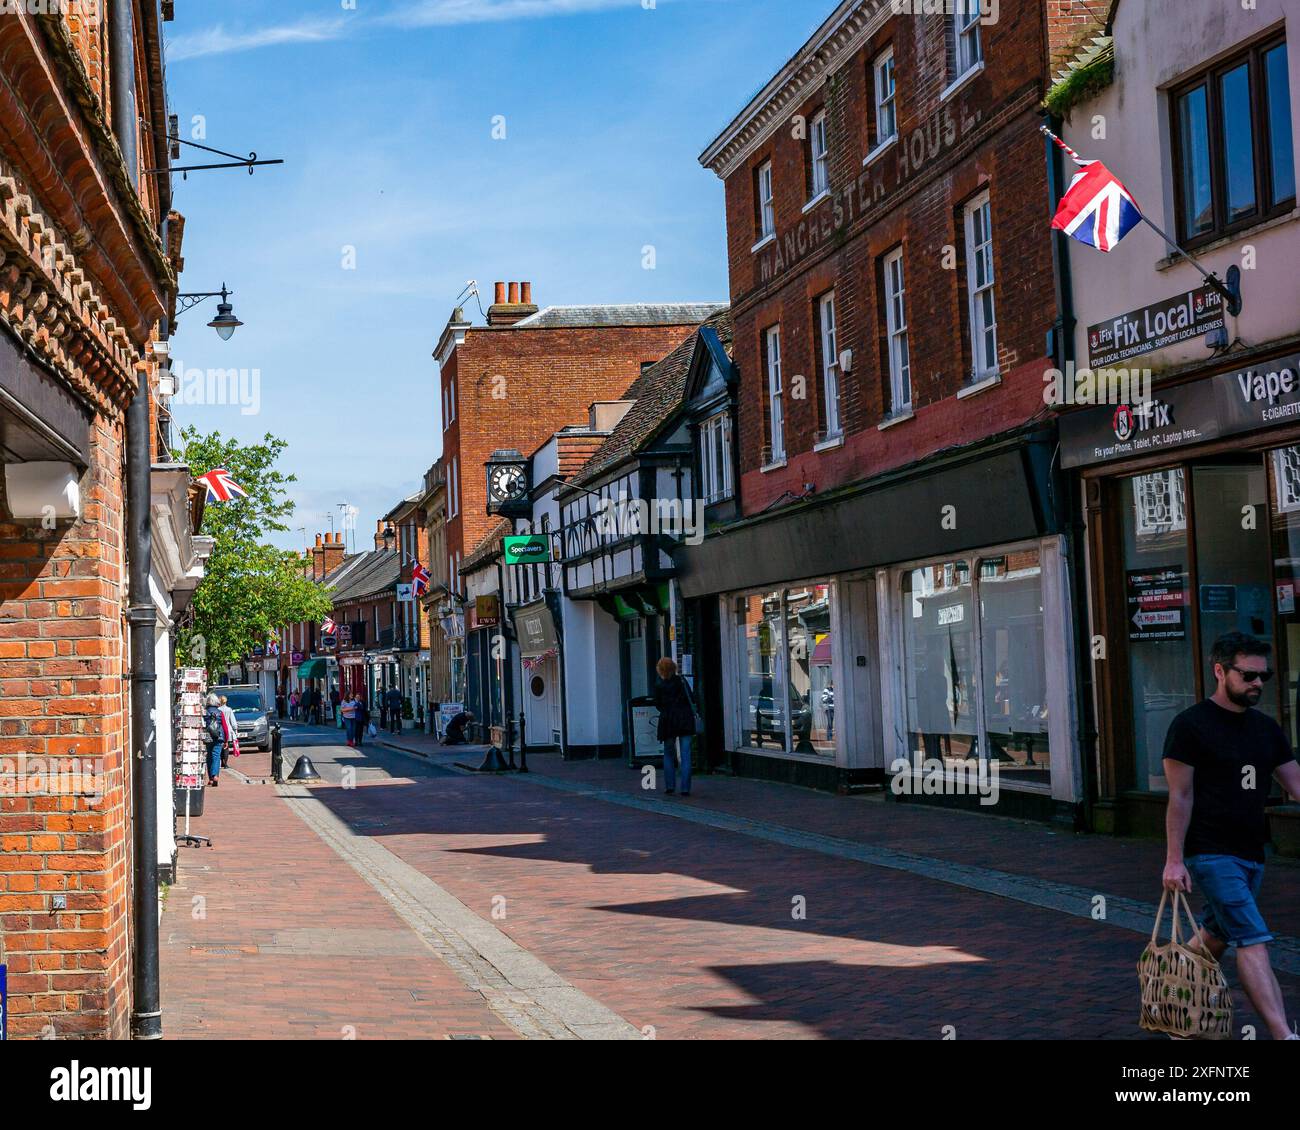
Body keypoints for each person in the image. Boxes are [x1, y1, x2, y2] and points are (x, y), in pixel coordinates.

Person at [1163, 631, 1300, 1041]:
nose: (1258, 683)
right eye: (1249, 675)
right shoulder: (1190, 727)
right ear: (1220, 671)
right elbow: (1180, 797)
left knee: (1218, 932)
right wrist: (1173, 859)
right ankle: (1283, 1035)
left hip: (1252, 852)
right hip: (1209, 852)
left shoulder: (1265, 728)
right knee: (1253, 937)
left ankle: (1172, 1002)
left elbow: (1295, 783)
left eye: (1264, 676)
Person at [653, 656, 697, 797]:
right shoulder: (682, 682)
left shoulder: (659, 684)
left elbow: (657, 704)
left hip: (668, 721)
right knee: (686, 755)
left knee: (668, 754)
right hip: (684, 720)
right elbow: (692, 699)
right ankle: (685, 788)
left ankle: (670, 785)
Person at [203, 693, 225, 787]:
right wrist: (226, 739)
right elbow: (224, 726)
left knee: (209, 757)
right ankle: (215, 775)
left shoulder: (204, 712)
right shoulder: (220, 713)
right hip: (218, 736)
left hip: (208, 737)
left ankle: (211, 779)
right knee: (216, 756)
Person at [218, 695, 240, 766]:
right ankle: (225, 763)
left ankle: (221, 761)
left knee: (221, 746)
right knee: (227, 747)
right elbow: (233, 721)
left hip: (220, 729)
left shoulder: (218, 709)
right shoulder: (229, 709)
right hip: (228, 729)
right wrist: (235, 729)